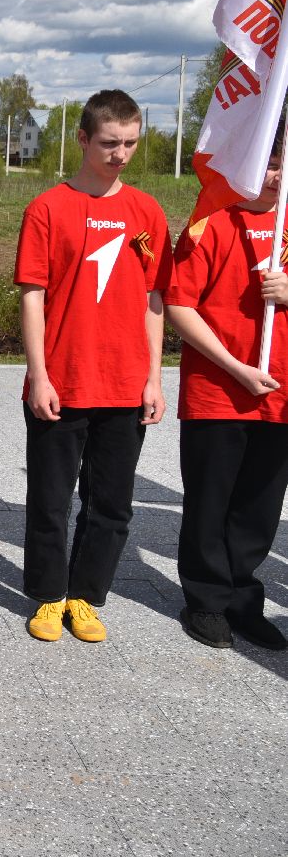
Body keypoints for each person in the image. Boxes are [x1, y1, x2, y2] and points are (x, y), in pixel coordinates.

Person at [15, 88, 171, 645]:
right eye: (109, 143)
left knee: (111, 505)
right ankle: (49, 596)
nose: (120, 154)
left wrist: (153, 378)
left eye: (130, 143)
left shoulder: (147, 211)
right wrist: (41, 375)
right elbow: (32, 296)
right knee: (50, 502)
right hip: (63, 380)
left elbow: (156, 300)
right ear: (83, 139)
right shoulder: (48, 208)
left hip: (126, 384)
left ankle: (85, 596)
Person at [163, 147, 288, 651]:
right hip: (220, 389)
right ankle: (206, 602)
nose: (276, 177)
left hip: (280, 392)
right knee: (210, 502)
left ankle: (243, 600)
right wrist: (236, 367)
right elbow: (179, 305)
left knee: (259, 509)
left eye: (283, 166)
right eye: (267, 165)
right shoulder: (209, 224)